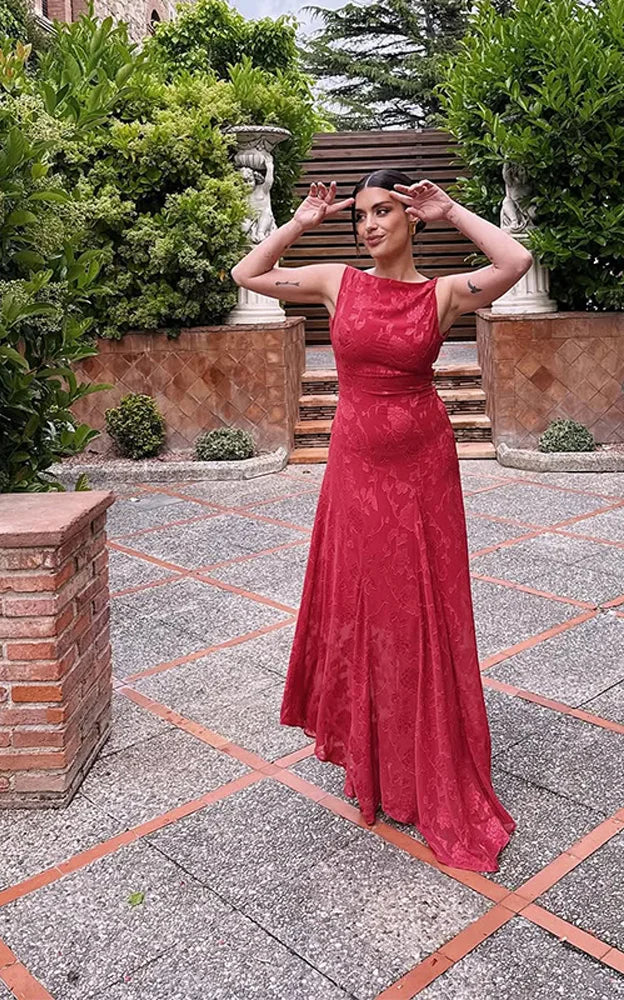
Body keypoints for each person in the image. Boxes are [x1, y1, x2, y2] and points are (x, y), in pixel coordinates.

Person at [231, 169, 533, 871]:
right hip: (356, 466)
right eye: (361, 214)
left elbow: (515, 262)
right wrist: (303, 222)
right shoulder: (338, 280)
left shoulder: (445, 293)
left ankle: (424, 758)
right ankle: (370, 753)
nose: (369, 225)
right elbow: (248, 271)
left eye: (383, 212)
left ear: (410, 217)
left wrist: (452, 209)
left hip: (423, 464)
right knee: (366, 607)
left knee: (420, 609)